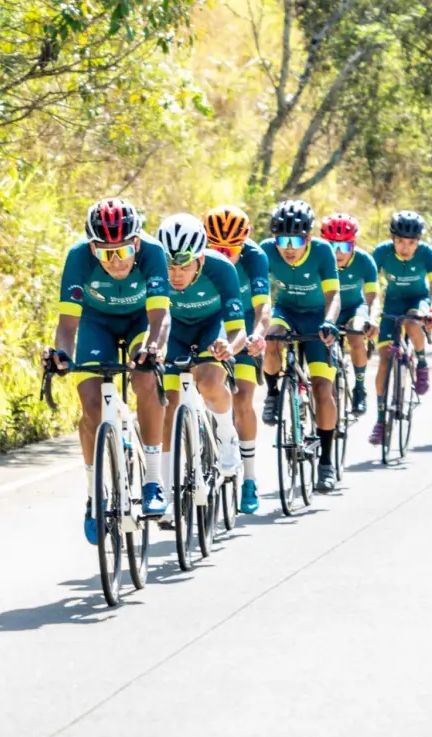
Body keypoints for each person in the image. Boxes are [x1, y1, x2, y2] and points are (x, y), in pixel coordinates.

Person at [45, 198, 171, 545]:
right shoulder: (78, 258)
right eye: (105, 253)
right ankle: (93, 496)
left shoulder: (154, 253)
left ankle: (152, 481)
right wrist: (61, 355)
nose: (115, 261)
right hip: (96, 322)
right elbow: (68, 326)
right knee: (90, 404)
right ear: (91, 247)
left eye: (122, 251)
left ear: (136, 243)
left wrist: (154, 347)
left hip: (139, 322)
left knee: (145, 378)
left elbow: (160, 318)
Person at [155, 213, 248, 508]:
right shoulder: (152, 271)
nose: (175, 274)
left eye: (184, 266)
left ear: (201, 261)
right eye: (169, 266)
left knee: (208, 382)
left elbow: (239, 330)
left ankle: (225, 432)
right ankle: (168, 493)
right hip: (174, 330)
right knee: (168, 406)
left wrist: (229, 348)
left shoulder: (221, 269)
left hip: (212, 328)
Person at [260, 200, 343, 492]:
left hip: (317, 319)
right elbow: (258, 293)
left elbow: (334, 295)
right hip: (285, 311)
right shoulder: (266, 251)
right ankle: (272, 393)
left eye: (296, 240)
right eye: (282, 240)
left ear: (308, 237)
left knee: (322, 387)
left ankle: (326, 461)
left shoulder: (322, 252)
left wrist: (330, 322)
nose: (288, 247)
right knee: (270, 339)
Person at [203, 205, 270, 514]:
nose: (224, 253)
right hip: (212, 321)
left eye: (232, 248)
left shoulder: (256, 257)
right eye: (216, 247)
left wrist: (258, 335)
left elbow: (262, 308)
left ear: (245, 241)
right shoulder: (198, 256)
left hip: (244, 324)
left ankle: (250, 478)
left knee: (243, 399)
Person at [367, 210, 432, 445]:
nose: (405, 247)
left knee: (411, 322)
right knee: (385, 359)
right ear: (392, 238)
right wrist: (371, 310)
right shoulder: (381, 252)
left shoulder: (427, 253)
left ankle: (421, 363)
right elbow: (369, 285)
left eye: (411, 243)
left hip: (418, 301)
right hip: (392, 302)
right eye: (399, 241)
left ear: (418, 241)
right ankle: (380, 420)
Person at [320, 212, 378, 415]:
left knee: (355, 334)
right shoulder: (318, 260)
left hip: (355, 308)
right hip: (326, 309)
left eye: (344, 246)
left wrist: (372, 319)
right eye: (331, 246)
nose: (337, 253)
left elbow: (373, 297)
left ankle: (360, 387)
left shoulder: (364, 261)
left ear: (354, 244)